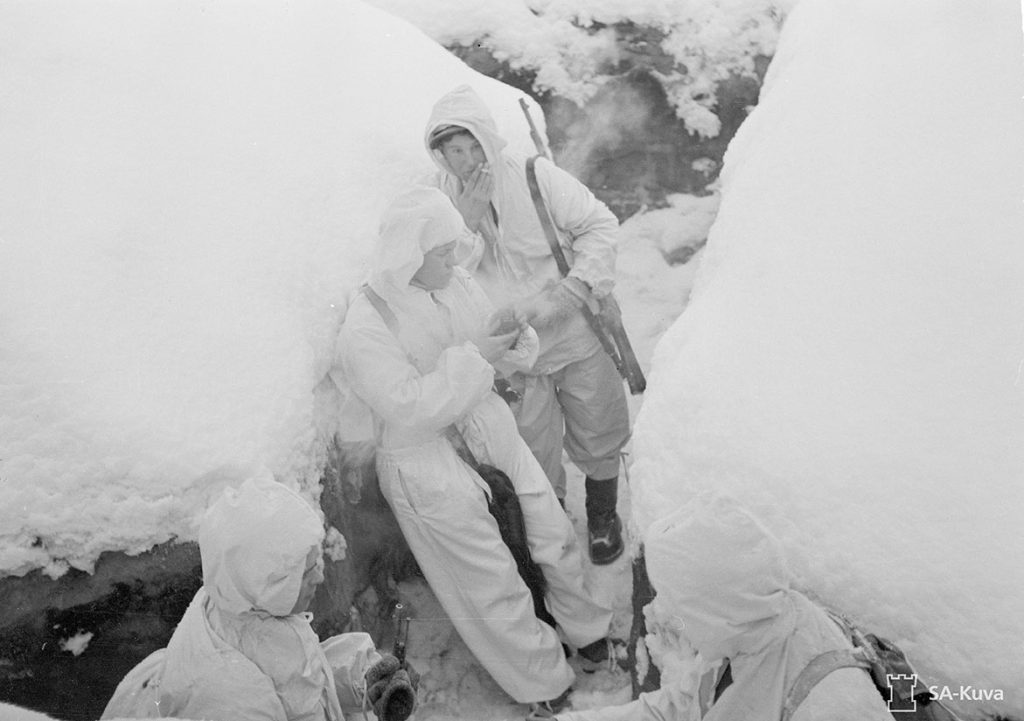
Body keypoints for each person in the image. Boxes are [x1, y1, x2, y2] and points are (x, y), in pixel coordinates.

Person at [336, 186, 615, 719]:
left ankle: (590, 633)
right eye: (442, 252)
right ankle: (543, 684)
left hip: (485, 423)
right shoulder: (366, 326)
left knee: (550, 533)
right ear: (409, 257)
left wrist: (513, 335)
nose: (456, 259)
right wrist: (475, 357)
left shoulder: (455, 282)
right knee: (487, 579)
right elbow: (409, 407)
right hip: (424, 462)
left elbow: (504, 353)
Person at [424, 85, 631, 565]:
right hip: (514, 353)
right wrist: (467, 223)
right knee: (531, 450)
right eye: (455, 151)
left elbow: (599, 226)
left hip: (574, 331)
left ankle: (602, 519)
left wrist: (574, 290)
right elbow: (439, 277)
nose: (468, 160)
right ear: (440, 154)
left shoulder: (535, 176)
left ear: (490, 141)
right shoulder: (437, 203)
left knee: (599, 425)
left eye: (475, 145)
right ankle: (552, 536)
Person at [101, 474, 415, 721]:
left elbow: (295, 678)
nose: (319, 577)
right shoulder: (235, 700)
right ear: (266, 583)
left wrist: (364, 678)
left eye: (315, 564)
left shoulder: (240, 601)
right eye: (305, 573)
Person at [554, 499, 893, 721]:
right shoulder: (743, 630)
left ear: (714, 605)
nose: (662, 612)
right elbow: (681, 708)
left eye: (677, 602)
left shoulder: (834, 703)